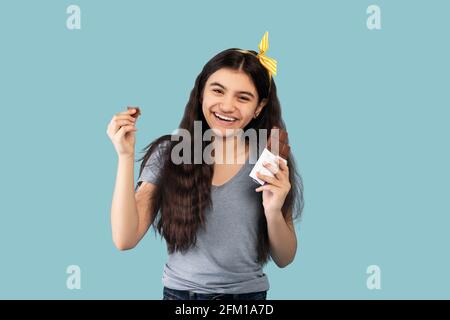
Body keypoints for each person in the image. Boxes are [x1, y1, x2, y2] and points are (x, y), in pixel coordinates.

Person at [107, 32, 304, 300]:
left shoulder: (270, 160)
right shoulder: (169, 154)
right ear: (201, 92)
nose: (227, 106)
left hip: (248, 298)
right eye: (218, 90)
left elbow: (285, 257)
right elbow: (124, 239)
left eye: (243, 98)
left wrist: (273, 209)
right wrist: (125, 156)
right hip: (181, 297)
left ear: (259, 107)